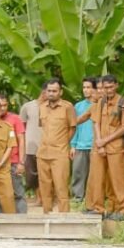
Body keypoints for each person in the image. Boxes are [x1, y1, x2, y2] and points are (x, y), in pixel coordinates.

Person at [86, 74, 124, 219]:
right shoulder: (100, 103)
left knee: (118, 179)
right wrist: (99, 142)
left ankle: (123, 210)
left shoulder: (123, 103)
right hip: (100, 146)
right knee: (97, 178)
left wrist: (104, 141)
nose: (108, 90)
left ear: (117, 85)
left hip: (116, 147)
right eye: (106, 88)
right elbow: (96, 123)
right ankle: (98, 208)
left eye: (111, 87)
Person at [35, 78, 78, 213]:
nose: (51, 93)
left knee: (61, 187)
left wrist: (63, 143)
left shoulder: (67, 107)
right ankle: (46, 215)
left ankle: (64, 217)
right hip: (42, 153)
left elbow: (72, 127)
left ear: (61, 92)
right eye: (49, 91)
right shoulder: (41, 107)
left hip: (60, 153)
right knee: (44, 188)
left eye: (54, 91)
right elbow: (43, 127)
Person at [0, 95, 28, 214]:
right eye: (0, 105)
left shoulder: (15, 119)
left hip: (13, 162)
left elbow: (22, 140)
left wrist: (21, 162)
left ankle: (22, 221)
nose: (3, 108)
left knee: (18, 192)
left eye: (5, 105)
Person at [71, 78, 96, 204]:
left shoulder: (100, 105)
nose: (86, 90)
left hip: (95, 145)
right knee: (78, 173)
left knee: (95, 174)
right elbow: (74, 126)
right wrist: (73, 145)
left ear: (95, 89)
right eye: (84, 87)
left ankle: (92, 198)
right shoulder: (78, 106)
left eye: (88, 87)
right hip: (81, 145)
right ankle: (77, 198)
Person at [18, 93, 41, 194]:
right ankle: (37, 196)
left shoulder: (52, 108)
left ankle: (45, 198)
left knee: (46, 174)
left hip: (46, 146)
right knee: (31, 175)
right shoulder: (28, 106)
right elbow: (21, 126)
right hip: (30, 146)